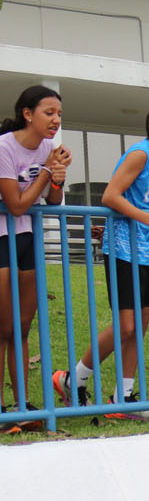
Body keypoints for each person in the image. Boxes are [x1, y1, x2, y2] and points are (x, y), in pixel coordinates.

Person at [54, 105, 149, 419]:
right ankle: (72, 379)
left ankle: (123, 398)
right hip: (122, 249)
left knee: (139, 325)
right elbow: (111, 196)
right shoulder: (140, 155)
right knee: (126, 325)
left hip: (145, 250)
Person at [0, 85, 68, 418]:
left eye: (59, 114)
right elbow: (16, 204)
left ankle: (23, 406)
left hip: (26, 239)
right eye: (49, 113)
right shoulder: (4, 147)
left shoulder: (48, 147)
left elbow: (52, 201)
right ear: (28, 114)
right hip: (2, 236)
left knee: (21, 326)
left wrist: (57, 178)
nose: (56, 120)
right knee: (1, 326)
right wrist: (45, 172)